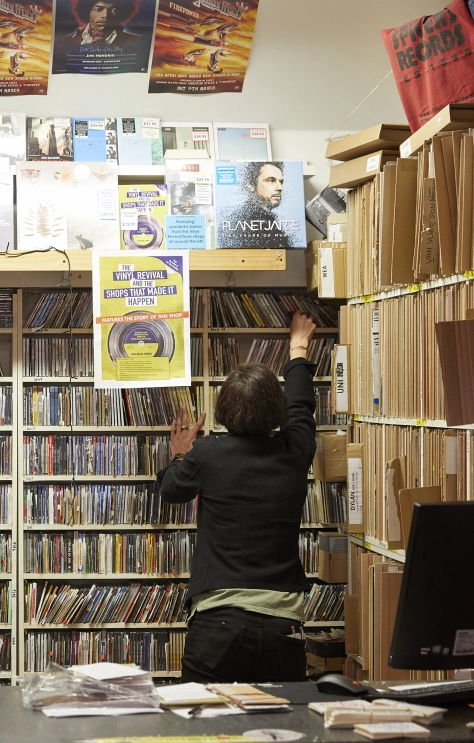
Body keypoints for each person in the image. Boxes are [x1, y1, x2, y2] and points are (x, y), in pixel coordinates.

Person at [158, 311, 318, 683]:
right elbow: (301, 406)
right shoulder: (295, 450)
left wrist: (181, 453)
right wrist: (298, 345)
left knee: (202, 729)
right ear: (274, 411)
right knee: (286, 728)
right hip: (284, 625)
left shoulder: (207, 454)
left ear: (224, 408)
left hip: (218, 623)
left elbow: (171, 490)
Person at [218, 162, 295, 249]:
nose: (280, 187)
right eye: (271, 180)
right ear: (251, 185)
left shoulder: (272, 221)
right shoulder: (238, 221)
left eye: (281, 182)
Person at [55, 0, 143, 57]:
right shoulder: (64, 43)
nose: (105, 16)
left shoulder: (137, 42)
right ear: (87, 11)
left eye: (112, 10)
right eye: (98, 9)